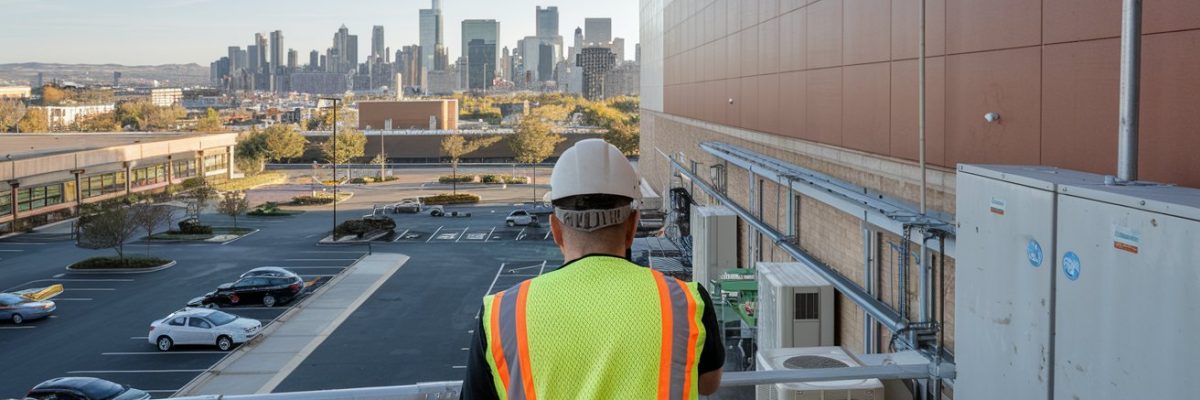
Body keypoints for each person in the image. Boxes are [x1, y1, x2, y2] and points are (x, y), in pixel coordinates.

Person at [462, 139, 724, 399]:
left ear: (555, 230)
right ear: (633, 226)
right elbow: (708, 384)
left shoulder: (500, 316)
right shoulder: (688, 303)